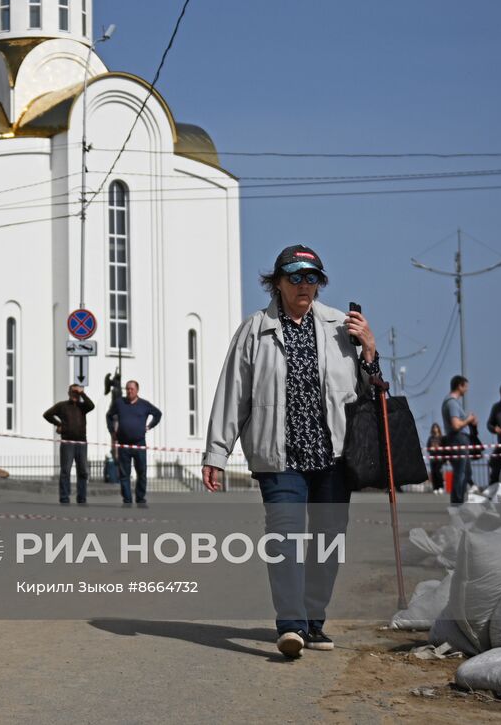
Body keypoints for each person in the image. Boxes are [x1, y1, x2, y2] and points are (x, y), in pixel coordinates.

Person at [201, 244, 380, 660]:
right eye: (295, 277)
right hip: (279, 457)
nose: (304, 285)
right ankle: (291, 625)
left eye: (312, 277)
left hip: (335, 458)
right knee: (284, 538)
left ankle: (314, 621)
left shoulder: (342, 326)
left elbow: (372, 390)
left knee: (328, 541)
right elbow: (233, 395)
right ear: (277, 282)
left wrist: (369, 348)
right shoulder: (254, 330)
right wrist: (217, 453)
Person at [107, 380, 162, 506]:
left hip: (139, 443)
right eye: (127, 389)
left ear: (137, 390)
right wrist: (112, 432)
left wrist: (149, 426)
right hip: (123, 444)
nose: (129, 391)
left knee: (141, 472)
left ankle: (140, 497)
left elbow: (158, 414)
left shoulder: (144, 404)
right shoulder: (119, 403)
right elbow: (109, 415)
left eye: (131, 389)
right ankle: (127, 499)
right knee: (124, 473)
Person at [43, 384, 95, 504]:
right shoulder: (62, 406)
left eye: (76, 392)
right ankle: (64, 498)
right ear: (68, 393)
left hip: (81, 442)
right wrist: (58, 424)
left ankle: (82, 498)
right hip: (67, 442)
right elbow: (47, 414)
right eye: (72, 392)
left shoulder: (83, 407)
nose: (74, 394)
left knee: (82, 471)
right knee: (65, 470)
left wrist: (82, 393)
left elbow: (92, 406)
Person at [441, 376, 475, 504]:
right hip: (458, 439)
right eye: (465, 386)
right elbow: (456, 424)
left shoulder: (450, 402)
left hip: (456, 439)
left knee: (463, 471)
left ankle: (458, 501)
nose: (466, 389)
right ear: (460, 386)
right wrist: (468, 420)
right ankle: (458, 502)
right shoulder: (452, 403)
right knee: (461, 472)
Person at [426, 422, 446, 494]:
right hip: (432, 458)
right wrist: (431, 448)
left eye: (436, 427)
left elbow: (445, 448)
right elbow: (428, 448)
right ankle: (435, 488)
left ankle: (441, 487)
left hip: (440, 458)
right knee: (433, 473)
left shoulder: (441, 438)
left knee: (438, 472)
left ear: (438, 429)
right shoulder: (430, 438)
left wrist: (438, 448)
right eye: (434, 427)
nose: (435, 429)